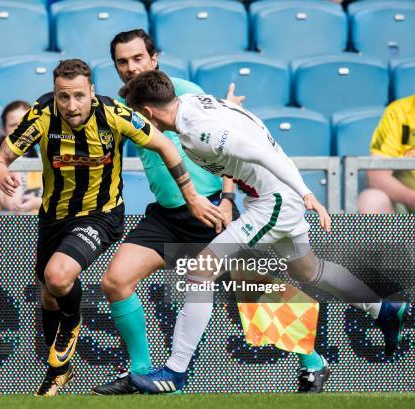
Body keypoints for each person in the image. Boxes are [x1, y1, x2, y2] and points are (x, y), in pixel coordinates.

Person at [119, 70, 410, 394]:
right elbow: (231, 126)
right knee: (309, 270)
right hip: (269, 198)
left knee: (203, 271)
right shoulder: (189, 104)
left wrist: (306, 193)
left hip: (273, 202)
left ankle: (174, 372)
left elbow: (263, 152)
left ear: (147, 112)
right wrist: (229, 108)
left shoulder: (199, 131)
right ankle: (381, 308)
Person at [92, 29, 327, 395]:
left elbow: (233, 145)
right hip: (168, 215)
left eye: (137, 58)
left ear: (154, 59)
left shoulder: (182, 91)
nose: (130, 67)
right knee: (116, 281)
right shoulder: (126, 107)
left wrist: (229, 200)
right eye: (122, 62)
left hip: (214, 208)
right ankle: (140, 373)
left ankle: (314, 362)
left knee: (255, 291)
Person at [0, 59, 223, 396]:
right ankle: (59, 371)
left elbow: (167, 145)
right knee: (52, 293)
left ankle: (313, 363)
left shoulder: (121, 112)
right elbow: (1, 158)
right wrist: (0, 171)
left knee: (259, 284)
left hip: (103, 215)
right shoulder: (42, 114)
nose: (72, 106)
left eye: (79, 96)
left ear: (92, 93)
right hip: (56, 217)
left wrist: (196, 197)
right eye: (63, 97)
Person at [357, 94, 415, 214]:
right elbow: (376, 176)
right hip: (408, 206)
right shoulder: (399, 111)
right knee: (371, 200)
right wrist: (412, 199)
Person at [0, 100, 42, 215]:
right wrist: (14, 158)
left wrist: (37, 203)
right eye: (13, 125)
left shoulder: (42, 159)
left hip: (39, 225)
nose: (21, 130)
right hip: (4, 227)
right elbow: (12, 204)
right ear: (3, 130)